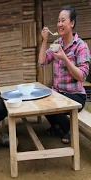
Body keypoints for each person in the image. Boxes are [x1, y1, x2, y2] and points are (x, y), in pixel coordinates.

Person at [38, 5, 90, 144]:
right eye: (58, 21)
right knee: (42, 101)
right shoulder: (56, 43)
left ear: (72, 23)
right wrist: (44, 40)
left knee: (55, 104)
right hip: (58, 93)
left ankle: (69, 130)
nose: (59, 24)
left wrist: (64, 58)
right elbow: (42, 62)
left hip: (76, 95)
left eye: (63, 21)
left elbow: (82, 76)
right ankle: (57, 125)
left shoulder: (81, 46)